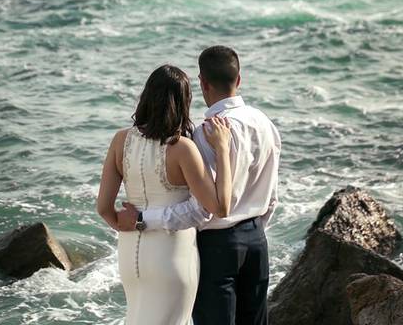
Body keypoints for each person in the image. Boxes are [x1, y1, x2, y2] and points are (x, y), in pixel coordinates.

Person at [117, 46, 282, 325]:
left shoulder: (203, 134)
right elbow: (273, 193)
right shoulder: (264, 123)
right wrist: (253, 230)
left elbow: (202, 210)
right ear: (239, 79)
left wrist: (144, 219)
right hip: (256, 240)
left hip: (217, 246)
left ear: (203, 83)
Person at [96, 64, 233, 325]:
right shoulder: (182, 149)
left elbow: (103, 207)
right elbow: (219, 207)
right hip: (171, 256)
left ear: (146, 97)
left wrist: (128, 223)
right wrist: (223, 149)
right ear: (184, 103)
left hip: (129, 254)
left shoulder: (120, 140)